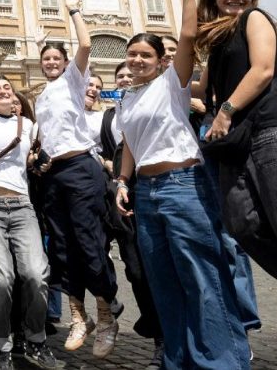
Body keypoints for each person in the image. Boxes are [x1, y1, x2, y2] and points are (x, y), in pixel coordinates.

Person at [113, 0, 251, 369]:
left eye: (144, 55)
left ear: (160, 61)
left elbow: (188, 36)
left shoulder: (172, 84)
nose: (136, 60)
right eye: (131, 54)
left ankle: (222, 361)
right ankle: (178, 360)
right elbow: (131, 145)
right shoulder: (128, 98)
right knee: (164, 282)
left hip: (183, 185)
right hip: (147, 193)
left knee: (201, 277)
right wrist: (122, 181)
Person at [193, 0, 277, 358]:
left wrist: (226, 110)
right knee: (243, 224)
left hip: (271, 132)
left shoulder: (255, 19)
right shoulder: (218, 40)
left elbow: (263, 69)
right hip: (237, 145)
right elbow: (198, 86)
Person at [33, 0, 119, 358]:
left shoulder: (73, 79)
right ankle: (78, 315)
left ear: (66, 63)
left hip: (82, 169)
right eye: (46, 58)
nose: (51, 62)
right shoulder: (40, 96)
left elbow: (85, 45)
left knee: (89, 241)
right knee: (63, 247)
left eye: (56, 58)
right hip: (54, 175)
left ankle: (106, 313)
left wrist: (73, 11)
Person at [0, 75, 57, 370]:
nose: (3, 91)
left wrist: (38, 163)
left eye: (6, 87)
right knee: (1, 277)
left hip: (21, 206)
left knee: (36, 274)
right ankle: (2, 344)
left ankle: (35, 338)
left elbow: (27, 162)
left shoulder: (27, 126)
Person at [97, 62, 165, 367]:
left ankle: (172, 337)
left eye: (129, 74)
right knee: (136, 271)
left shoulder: (159, 101)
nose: (125, 78)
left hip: (157, 190)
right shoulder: (110, 115)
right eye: (120, 76)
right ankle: (158, 335)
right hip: (124, 199)